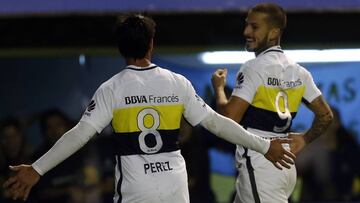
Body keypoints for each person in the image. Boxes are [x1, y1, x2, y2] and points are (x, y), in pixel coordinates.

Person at [3, 14, 295, 203]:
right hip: (174, 190)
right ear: (152, 45)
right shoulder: (176, 83)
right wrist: (263, 145)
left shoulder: (112, 89)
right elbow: (217, 123)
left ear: (120, 49)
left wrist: (37, 169)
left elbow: (80, 134)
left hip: (136, 193)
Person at [211, 3, 333, 203]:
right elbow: (326, 115)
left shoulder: (253, 67)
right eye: (246, 25)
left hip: (261, 161)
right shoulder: (299, 72)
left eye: (254, 27)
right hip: (283, 164)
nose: (246, 31)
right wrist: (305, 139)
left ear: (274, 32)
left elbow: (229, 119)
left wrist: (218, 89)